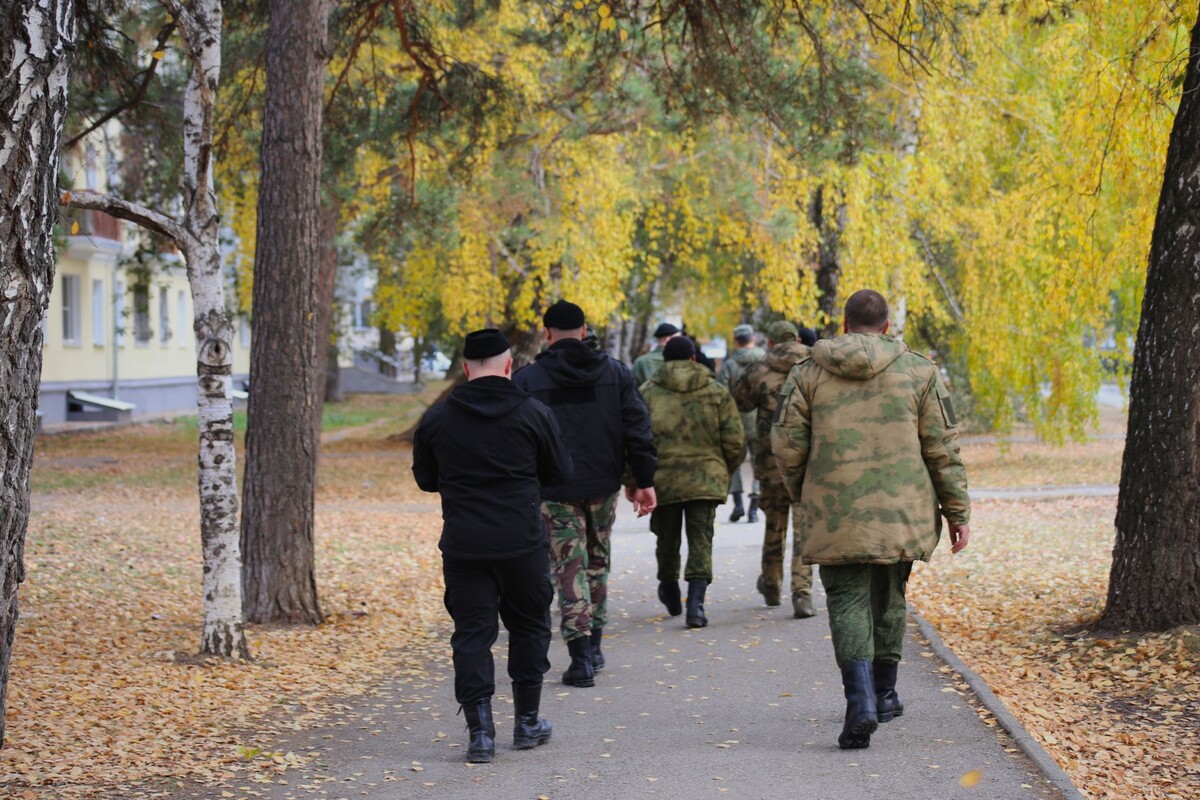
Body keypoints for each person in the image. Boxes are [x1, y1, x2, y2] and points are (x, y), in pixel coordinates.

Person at [771, 290, 971, 750]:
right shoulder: (919, 371)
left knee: (845, 601)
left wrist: (806, 491)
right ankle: (885, 693)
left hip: (835, 508)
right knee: (889, 596)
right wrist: (957, 511)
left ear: (845, 324)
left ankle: (859, 700)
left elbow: (786, 443)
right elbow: (943, 448)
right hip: (903, 511)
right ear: (886, 326)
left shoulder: (809, 373)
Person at [411, 328, 573, 763]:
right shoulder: (534, 413)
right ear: (508, 366)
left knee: (472, 635)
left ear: (466, 369)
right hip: (521, 541)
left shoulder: (438, 418)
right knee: (530, 626)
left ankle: (480, 734)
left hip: (465, 546)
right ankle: (526, 722)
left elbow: (426, 479)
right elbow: (559, 472)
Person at [513, 300, 658, 688]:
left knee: (567, 567)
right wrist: (643, 480)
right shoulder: (614, 373)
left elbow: (517, 437)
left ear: (547, 334)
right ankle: (594, 646)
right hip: (602, 484)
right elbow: (637, 429)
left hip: (554, 489)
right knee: (597, 561)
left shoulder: (528, 380)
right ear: (583, 330)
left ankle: (580, 659)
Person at [638, 336, 744, 628]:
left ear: (665, 361)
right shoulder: (716, 391)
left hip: (664, 480)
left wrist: (635, 479)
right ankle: (695, 606)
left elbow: (636, 439)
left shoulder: (647, 392)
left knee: (666, 539)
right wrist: (722, 470)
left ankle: (670, 590)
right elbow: (734, 440)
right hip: (705, 478)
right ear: (694, 359)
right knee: (701, 540)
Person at [731, 321, 814, 618]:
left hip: (771, 458)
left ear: (768, 342)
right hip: (809, 458)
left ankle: (770, 583)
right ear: (797, 339)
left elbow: (740, 402)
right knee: (804, 527)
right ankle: (802, 594)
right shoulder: (815, 364)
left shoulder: (759, 368)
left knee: (775, 522)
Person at [716, 323, 765, 522]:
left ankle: (738, 504)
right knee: (759, 463)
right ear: (752, 338)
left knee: (734, 462)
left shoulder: (729, 364)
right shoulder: (765, 361)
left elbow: (721, 393)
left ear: (736, 341)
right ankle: (754, 507)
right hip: (760, 420)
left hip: (735, 421)